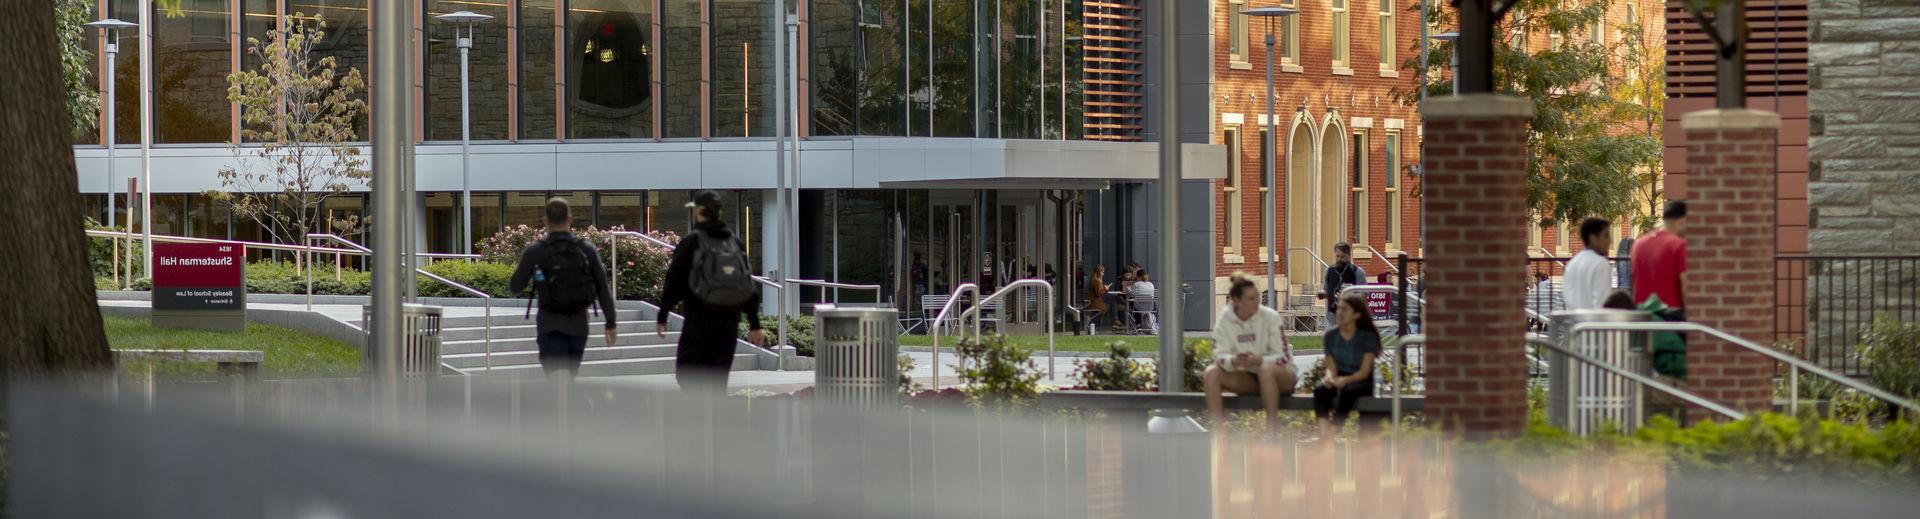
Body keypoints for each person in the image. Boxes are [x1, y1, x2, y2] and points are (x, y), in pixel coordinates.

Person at [656, 190, 766, 393]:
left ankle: (695, 422)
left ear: (699, 211)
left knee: (688, 379)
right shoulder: (735, 243)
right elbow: (747, 285)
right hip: (728, 324)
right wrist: (755, 325)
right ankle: (716, 423)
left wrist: (663, 314)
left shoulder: (692, 242)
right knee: (717, 385)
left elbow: (674, 281)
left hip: (699, 321)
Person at [509, 197, 619, 383]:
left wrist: (538, 277)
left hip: (549, 324)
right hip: (578, 326)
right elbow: (602, 288)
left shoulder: (536, 251)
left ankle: (560, 410)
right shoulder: (586, 249)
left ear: (546, 220)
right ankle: (570, 409)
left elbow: (515, 287)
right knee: (569, 379)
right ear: (569, 218)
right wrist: (610, 323)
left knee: (557, 384)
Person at [1204, 273, 1297, 429]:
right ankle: (1218, 432)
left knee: (1265, 370)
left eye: (1257, 297)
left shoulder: (1270, 317)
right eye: (1251, 299)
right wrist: (1233, 360)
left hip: (1281, 375)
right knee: (1211, 373)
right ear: (1236, 300)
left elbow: (1284, 357)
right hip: (1248, 376)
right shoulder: (1224, 320)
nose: (1257, 302)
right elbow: (1219, 356)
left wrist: (1259, 360)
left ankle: (1272, 430)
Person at [1315, 293, 1381, 433]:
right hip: (1339, 375)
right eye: (1338, 309)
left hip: (1361, 379)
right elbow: (1331, 367)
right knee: (1321, 389)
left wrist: (1345, 380)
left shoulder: (1367, 336)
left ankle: (1334, 429)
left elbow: (1364, 371)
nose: (1339, 313)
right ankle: (1323, 430)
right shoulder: (1330, 336)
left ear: (1356, 315)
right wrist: (1329, 378)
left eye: (1345, 309)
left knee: (1349, 390)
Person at [1631, 201, 1688, 312]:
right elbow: (1686, 285)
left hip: (1643, 316)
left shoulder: (1638, 245)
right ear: (1682, 221)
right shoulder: (1679, 245)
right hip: (1670, 316)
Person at [1564, 217, 1614, 310]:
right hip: (1591, 322)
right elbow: (1602, 302)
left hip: (1573, 321)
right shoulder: (1601, 264)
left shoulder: (1573, 263)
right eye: (1606, 235)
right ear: (1593, 238)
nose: (1610, 241)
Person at [1319, 243, 1366, 331]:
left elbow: (1364, 295)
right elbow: (1327, 291)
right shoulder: (1329, 271)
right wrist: (1323, 294)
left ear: (1348, 256)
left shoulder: (1357, 272)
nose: (1339, 259)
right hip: (1332, 316)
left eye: (1342, 257)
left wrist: (1347, 297)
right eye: (1337, 256)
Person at [1128, 270, 1158, 334]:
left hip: (1138, 308)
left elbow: (1131, 294)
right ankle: (1150, 327)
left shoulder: (1136, 284)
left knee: (1133, 303)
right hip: (1150, 308)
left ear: (1138, 277)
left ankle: (1138, 326)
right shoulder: (1151, 284)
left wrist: (1128, 289)